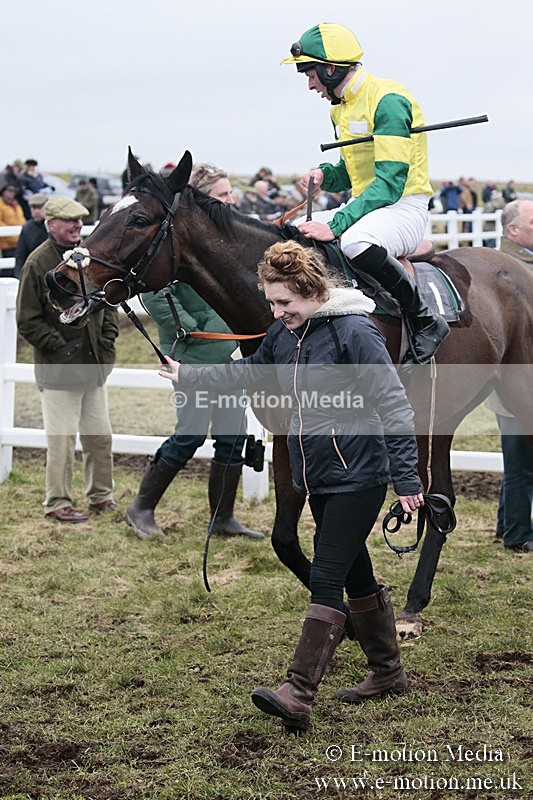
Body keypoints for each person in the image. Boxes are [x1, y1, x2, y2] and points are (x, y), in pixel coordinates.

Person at [159, 240, 423, 731]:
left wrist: (407, 478)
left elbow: (394, 404)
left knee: (326, 575)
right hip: (318, 473)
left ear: (314, 291)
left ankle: (299, 692)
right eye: (272, 303)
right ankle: (387, 671)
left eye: (285, 303)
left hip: (359, 474)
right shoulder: (287, 335)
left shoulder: (354, 331)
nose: (277, 313)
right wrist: (189, 375)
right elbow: (251, 371)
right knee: (355, 571)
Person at [280, 22, 449, 370]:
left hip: (404, 206)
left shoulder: (388, 100)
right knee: (292, 232)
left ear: (330, 69)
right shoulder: (338, 108)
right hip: (371, 206)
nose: (310, 84)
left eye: (310, 74)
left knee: (354, 241)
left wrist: (338, 223)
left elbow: (388, 183)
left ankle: (424, 319)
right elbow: (352, 169)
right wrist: (325, 175)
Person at [124, 163, 264, 541]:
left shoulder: (225, 242)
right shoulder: (178, 243)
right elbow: (156, 293)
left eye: (231, 191)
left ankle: (223, 518)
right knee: (189, 434)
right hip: (194, 355)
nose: (230, 200)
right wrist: (202, 330)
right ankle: (140, 508)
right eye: (222, 194)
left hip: (231, 355)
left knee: (234, 436)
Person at [16, 196, 119, 523]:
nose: (77, 225)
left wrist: (107, 339)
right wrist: (60, 348)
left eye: (80, 220)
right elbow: (28, 320)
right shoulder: (38, 263)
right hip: (59, 371)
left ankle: (101, 496)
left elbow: (109, 301)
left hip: (93, 366)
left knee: (99, 437)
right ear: (51, 224)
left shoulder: (89, 257)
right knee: (61, 443)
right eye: (70, 221)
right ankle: (57, 501)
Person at [485, 199, 533, 553]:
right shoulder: (516, 269)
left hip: (515, 381)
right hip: (517, 382)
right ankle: (519, 534)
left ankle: (508, 526)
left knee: (517, 458)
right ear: (513, 230)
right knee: (521, 461)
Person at [14, 193, 49, 278]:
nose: (36, 211)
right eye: (33, 208)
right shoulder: (27, 228)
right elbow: (20, 254)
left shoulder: (54, 226)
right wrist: (19, 276)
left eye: (40, 207)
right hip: (33, 271)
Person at [0, 185, 25, 273]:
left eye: (12, 192)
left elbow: (22, 219)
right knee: (8, 269)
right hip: (7, 242)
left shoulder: (16, 205)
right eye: (8, 191)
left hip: (19, 241)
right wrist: (12, 236)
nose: (11, 194)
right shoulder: (1, 205)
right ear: (3, 192)